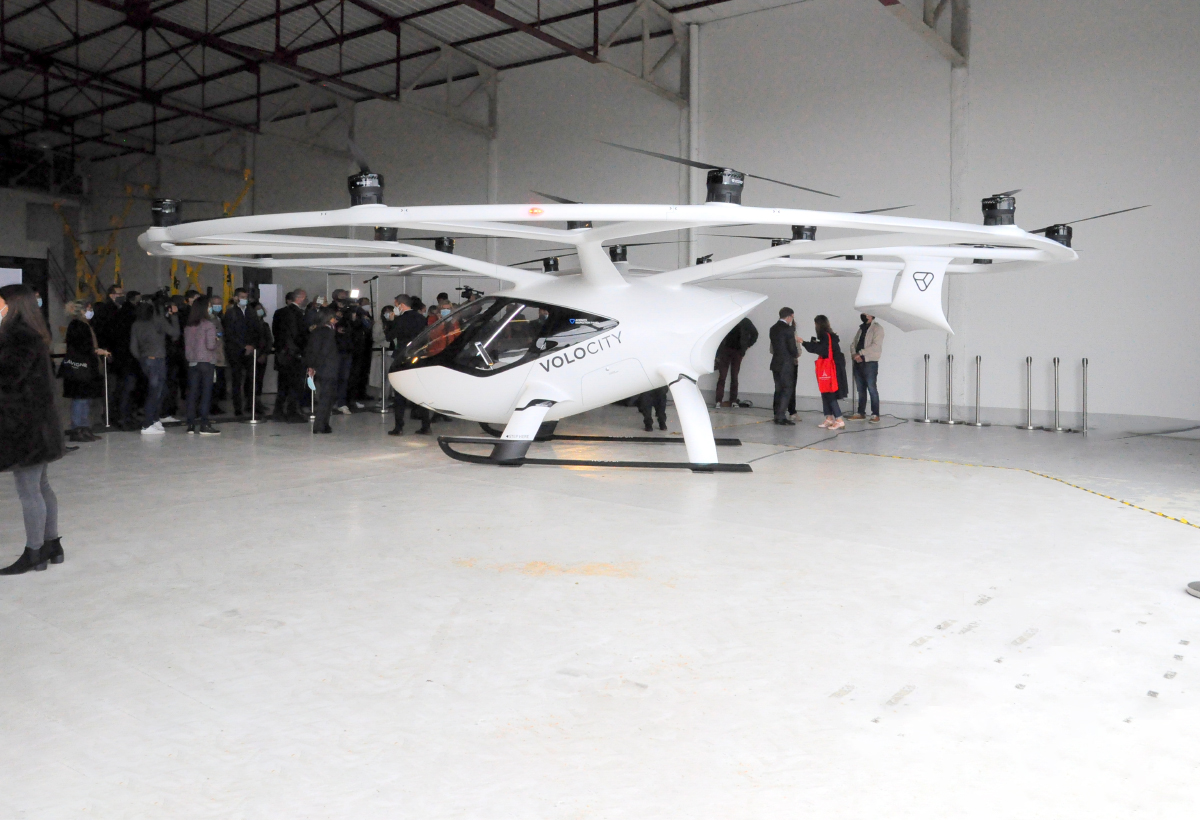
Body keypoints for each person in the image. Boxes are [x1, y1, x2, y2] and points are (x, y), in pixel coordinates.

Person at [0, 284, 67, 575]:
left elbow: (8, 377)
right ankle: (51, 545)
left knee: (29, 490)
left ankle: (34, 551)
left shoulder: (17, 335)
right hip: (37, 424)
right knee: (41, 486)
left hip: (24, 425)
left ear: (13, 305)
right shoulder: (31, 332)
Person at [129, 298, 180, 435]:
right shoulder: (158, 321)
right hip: (157, 359)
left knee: (156, 390)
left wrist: (141, 359)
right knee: (157, 391)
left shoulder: (136, 324)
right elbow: (175, 333)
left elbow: (133, 347)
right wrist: (174, 316)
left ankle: (154, 419)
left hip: (145, 360)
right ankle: (147, 423)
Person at [60, 300, 108, 442]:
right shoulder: (78, 325)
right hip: (80, 367)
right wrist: (95, 351)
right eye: (88, 308)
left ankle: (85, 428)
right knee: (80, 399)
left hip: (85, 366)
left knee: (85, 399)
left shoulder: (82, 325)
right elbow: (81, 346)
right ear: (81, 311)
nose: (90, 311)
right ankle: (78, 429)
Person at [386, 295, 431, 436]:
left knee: (399, 392)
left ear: (401, 305)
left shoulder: (400, 319)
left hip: (403, 357)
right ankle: (426, 424)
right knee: (420, 390)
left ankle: (399, 426)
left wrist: (391, 322)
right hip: (419, 357)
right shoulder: (421, 318)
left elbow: (389, 336)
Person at [801, 314, 848, 430]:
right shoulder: (830, 336)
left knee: (829, 392)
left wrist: (804, 343)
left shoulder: (824, 336)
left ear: (818, 324)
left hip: (831, 367)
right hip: (834, 366)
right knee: (825, 390)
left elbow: (822, 349)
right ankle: (829, 418)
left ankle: (839, 419)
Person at [184, 297, 221, 435]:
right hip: (206, 361)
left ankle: (191, 425)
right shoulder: (209, 325)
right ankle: (204, 424)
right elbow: (210, 345)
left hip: (192, 362)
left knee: (193, 393)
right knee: (206, 393)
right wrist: (217, 340)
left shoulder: (188, 326)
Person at [272, 289, 308, 422]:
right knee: (295, 384)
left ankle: (279, 411)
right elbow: (296, 335)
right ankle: (292, 412)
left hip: (282, 354)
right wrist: (300, 350)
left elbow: (276, 332)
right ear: (300, 298)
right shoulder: (297, 313)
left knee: (283, 385)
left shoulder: (280, 312)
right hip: (293, 355)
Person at [304, 307, 340, 434]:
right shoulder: (327, 332)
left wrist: (312, 365)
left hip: (321, 367)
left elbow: (312, 350)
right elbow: (324, 350)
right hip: (328, 367)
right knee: (327, 397)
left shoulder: (316, 331)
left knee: (325, 396)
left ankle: (323, 424)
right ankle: (320, 424)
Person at [222, 287, 255, 416]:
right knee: (236, 379)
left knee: (250, 378)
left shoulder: (251, 312)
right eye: (242, 297)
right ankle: (238, 407)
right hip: (235, 350)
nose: (244, 299)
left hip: (249, 349)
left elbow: (255, 330)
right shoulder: (231, 313)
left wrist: (251, 345)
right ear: (235, 298)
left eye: (246, 297)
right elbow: (230, 333)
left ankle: (250, 405)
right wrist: (243, 346)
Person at [714, 316, 758, 408]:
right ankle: (718, 400)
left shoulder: (744, 321)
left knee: (734, 376)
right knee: (723, 376)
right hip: (725, 351)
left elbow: (755, 334)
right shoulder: (728, 319)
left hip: (737, 351)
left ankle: (733, 400)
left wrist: (747, 346)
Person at [849, 313, 884, 422]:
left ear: (871, 316)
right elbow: (853, 344)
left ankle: (875, 414)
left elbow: (875, 345)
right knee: (860, 389)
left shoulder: (877, 328)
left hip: (870, 362)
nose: (863, 315)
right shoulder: (861, 328)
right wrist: (855, 355)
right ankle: (861, 412)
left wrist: (861, 353)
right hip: (858, 362)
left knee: (871, 388)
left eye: (866, 313)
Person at [769, 307, 799, 425]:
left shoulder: (773, 328)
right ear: (789, 316)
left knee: (778, 389)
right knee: (787, 389)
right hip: (786, 363)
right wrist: (796, 354)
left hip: (775, 362)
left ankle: (776, 413)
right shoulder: (788, 329)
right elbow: (792, 347)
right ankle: (781, 415)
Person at [248, 300, 272, 416]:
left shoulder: (265, 324)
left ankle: (258, 401)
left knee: (260, 380)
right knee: (252, 380)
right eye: (257, 309)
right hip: (253, 357)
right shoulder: (250, 325)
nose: (260, 311)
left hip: (263, 356)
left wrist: (265, 353)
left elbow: (269, 340)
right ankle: (251, 403)